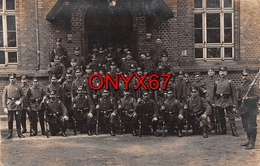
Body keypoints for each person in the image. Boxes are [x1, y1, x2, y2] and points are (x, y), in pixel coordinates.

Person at [212, 67, 239, 137]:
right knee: (220, 116)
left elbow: (234, 94)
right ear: (219, 73)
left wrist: (234, 103)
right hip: (219, 101)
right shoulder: (216, 82)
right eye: (221, 72)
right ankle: (223, 130)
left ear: (226, 73)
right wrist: (214, 102)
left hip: (228, 101)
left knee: (231, 116)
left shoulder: (230, 82)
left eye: (224, 71)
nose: (222, 73)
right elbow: (214, 93)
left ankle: (234, 131)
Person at [237, 69, 259, 149]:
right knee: (245, 126)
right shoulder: (240, 86)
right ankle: (249, 140)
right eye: (243, 75)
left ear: (249, 76)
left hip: (251, 109)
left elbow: (257, 97)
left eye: (246, 75)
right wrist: (237, 107)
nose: (245, 77)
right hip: (243, 109)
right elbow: (238, 98)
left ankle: (252, 143)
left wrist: (248, 98)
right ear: (241, 77)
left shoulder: (253, 85)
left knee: (251, 126)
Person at [2, 73, 25, 139]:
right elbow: (4, 98)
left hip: (17, 105)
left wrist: (19, 101)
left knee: (18, 119)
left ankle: (19, 133)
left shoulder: (18, 87)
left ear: (15, 79)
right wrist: (4, 107)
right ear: (9, 79)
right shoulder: (6, 87)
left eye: (13, 78)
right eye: (11, 78)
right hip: (10, 105)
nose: (12, 80)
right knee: (10, 120)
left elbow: (23, 96)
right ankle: (10, 133)